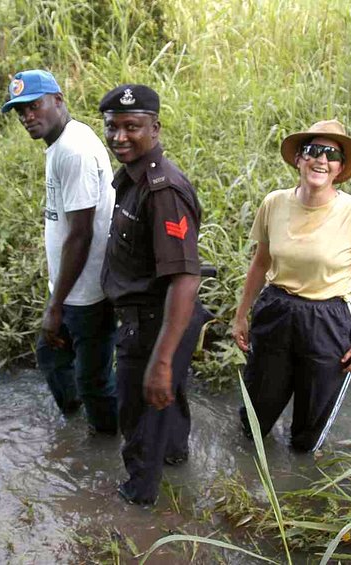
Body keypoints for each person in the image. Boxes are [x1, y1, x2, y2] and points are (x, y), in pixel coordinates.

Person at [231, 119, 351, 452]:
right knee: (257, 408)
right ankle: (250, 475)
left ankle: (297, 482)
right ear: (299, 159)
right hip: (277, 309)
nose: (321, 160)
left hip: (329, 317)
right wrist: (241, 316)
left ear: (340, 168)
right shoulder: (275, 203)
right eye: (313, 151)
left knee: (311, 420)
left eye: (331, 155)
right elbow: (260, 262)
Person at [99, 84, 212, 505]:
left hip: (156, 323)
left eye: (132, 127)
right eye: (112, 127)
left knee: (140, 415)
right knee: (164, 403)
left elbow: (185, 279)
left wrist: (162, 360)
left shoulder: (162, 190)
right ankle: (176, 460)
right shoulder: (132, 178)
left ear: (155, 128)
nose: (120, 137)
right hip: (155, 319)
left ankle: (138, 503)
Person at [1, 69, 118, 434]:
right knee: (51, 356)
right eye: (20, 111)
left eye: (34, 106)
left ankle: (107, 445)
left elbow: (80, 235)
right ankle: (78, 424)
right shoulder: (62, 142)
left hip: (87, 293)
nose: (27, 117)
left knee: (94, 380)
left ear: (58, 100)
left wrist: (56, 306)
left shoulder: (74, 151)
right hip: (71, 289)